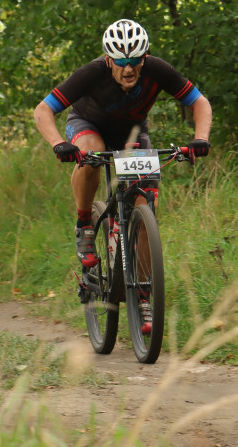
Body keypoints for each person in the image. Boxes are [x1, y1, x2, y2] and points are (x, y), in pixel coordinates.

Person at [33, 18, 212, 268]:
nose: (128, 69)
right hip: (88, 125)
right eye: (120, 62)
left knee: (146, 204)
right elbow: (43, 110)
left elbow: (199, 102)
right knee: (91, 151)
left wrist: (200, 138)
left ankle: (142, 294)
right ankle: (85, 224)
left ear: (145, 57)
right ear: (108, 60)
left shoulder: (158, 70)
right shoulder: (92, 73)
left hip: (132, 133)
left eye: (134, 61)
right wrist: (57, 143)